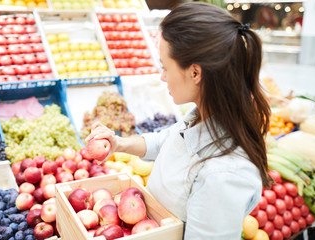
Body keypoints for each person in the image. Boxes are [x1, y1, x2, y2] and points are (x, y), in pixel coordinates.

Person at [86, 2, 273, 239]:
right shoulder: (202, 115)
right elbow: (167, 140)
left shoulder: (224, 175)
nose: (162, 77)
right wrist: (119, 144)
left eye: (165, 67)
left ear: (195, 73)